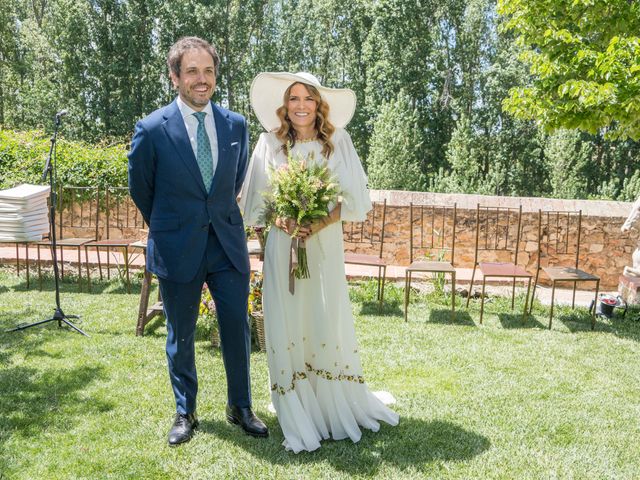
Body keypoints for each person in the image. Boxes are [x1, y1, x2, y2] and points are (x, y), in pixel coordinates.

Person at [240, 72, 399, 453]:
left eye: (307, 98)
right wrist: (283, 220)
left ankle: (330, 403)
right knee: (288, 317)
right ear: (284, 105)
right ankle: (295, 404)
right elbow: (255, 204)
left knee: (324, 317)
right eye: (293, 98)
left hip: (325, 246)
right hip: (284, 247)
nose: (300, 106)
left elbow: (355, 200)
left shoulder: (338, 143)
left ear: (319, 103)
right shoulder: (268, 143)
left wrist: (320, 221)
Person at [128, 36, 268, 446]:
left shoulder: (236, 125)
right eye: (191, 71)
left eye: (208, 71)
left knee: (236, 328)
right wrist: (173, 225)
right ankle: (185, 411)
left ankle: (240, 406)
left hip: (226, 245)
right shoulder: (152, 130)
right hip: (177, 247)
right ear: (175, 77)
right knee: (181, 333)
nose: (201, 79)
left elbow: (235, 181)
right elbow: (143, 191)